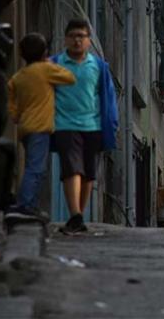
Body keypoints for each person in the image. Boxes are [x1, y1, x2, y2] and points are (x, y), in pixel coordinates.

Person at [52, 20, 119, 235]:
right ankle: (75, 214)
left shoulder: (99, 66)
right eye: (72, 35)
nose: (77, 40)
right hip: (64, 125)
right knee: (72, 168)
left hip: (93, 126)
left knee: (89, 174)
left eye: (81, 36)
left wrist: (112, 124)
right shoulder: (54, 64)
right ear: (65, 39)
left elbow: (108, 96)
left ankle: (78, 215)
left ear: (89, 40)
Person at [5, 33, 76, 222]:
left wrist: (15, 115)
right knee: (36, 168)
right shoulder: (45, 70)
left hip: (25, 128)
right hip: (40, 128)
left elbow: (11, 99)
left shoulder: (19, 76)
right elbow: (69, 77)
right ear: (44, 52)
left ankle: (32, 206)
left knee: (33, 165)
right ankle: (25, 205)